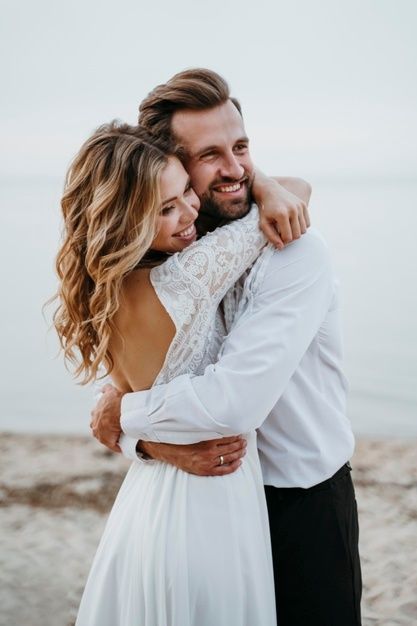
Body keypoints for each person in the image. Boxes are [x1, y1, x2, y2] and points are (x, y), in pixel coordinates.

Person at [92, 69, 362, 626]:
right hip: (205, 496)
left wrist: (126, 417)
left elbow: (234, 401)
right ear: (169, 165)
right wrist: (145, 443)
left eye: (241, 148)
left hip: (300, 505)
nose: (235, 169)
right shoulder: (169, 252)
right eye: (210, 154)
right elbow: (144, 371)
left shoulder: (296, 253)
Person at [54, 119, 310, 625]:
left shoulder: (98, 291)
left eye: (187, 193)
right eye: (166, 209)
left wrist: (144, 439)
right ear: (124, 222)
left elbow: (122, 405)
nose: (191, 211)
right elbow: (294, 196)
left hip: (147, 497)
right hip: (209, 499)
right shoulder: (185, 277)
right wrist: (265, 184)